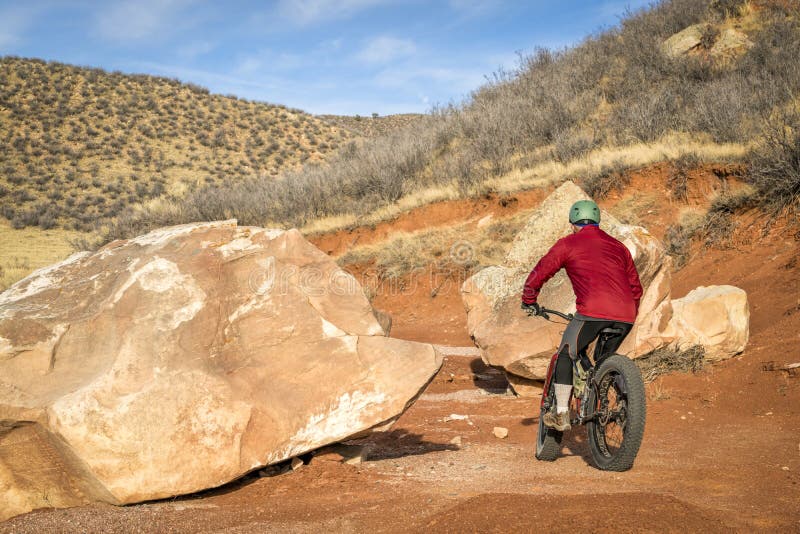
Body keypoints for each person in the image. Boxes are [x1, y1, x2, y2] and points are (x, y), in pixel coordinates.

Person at [521, 199, 643, 431]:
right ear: (597, 222)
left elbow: (541, 271)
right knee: (604, 360)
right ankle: (620, 397)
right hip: (625, 314)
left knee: (567, 353)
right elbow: (636, 288)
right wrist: (628, 311)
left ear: (572, 224)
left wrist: (529, 299)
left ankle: (562, 414)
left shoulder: (568, 243)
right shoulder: (618, 246)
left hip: (591, 313)